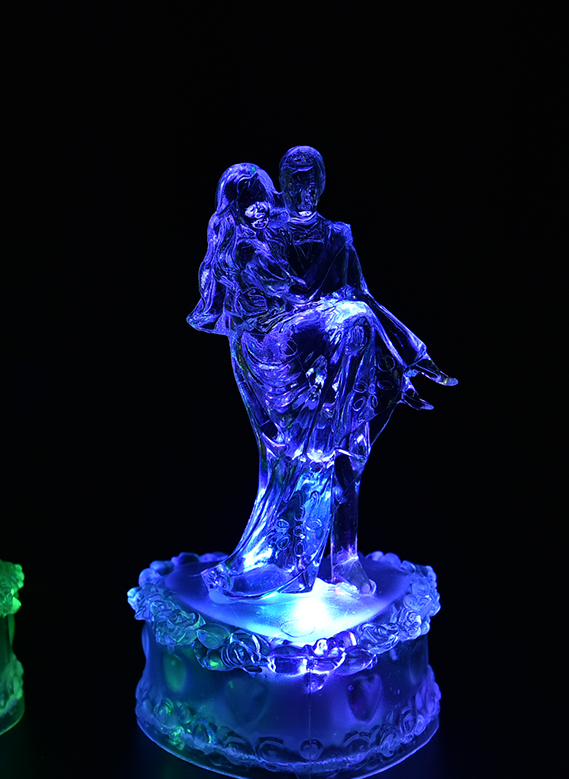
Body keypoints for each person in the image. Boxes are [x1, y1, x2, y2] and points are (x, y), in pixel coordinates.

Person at [189, 157, 454, 598]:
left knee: (350, 453)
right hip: (290, 364)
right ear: (281, 186)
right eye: (294, 185)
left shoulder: (337, 237)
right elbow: (253, 298)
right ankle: (287, 562)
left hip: (343, 364)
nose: (303, 194)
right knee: (304, 459)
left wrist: (386, 362)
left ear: (324, 184)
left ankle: (345, 559)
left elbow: (362, 293)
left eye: (312, 184)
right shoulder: (264, 235)